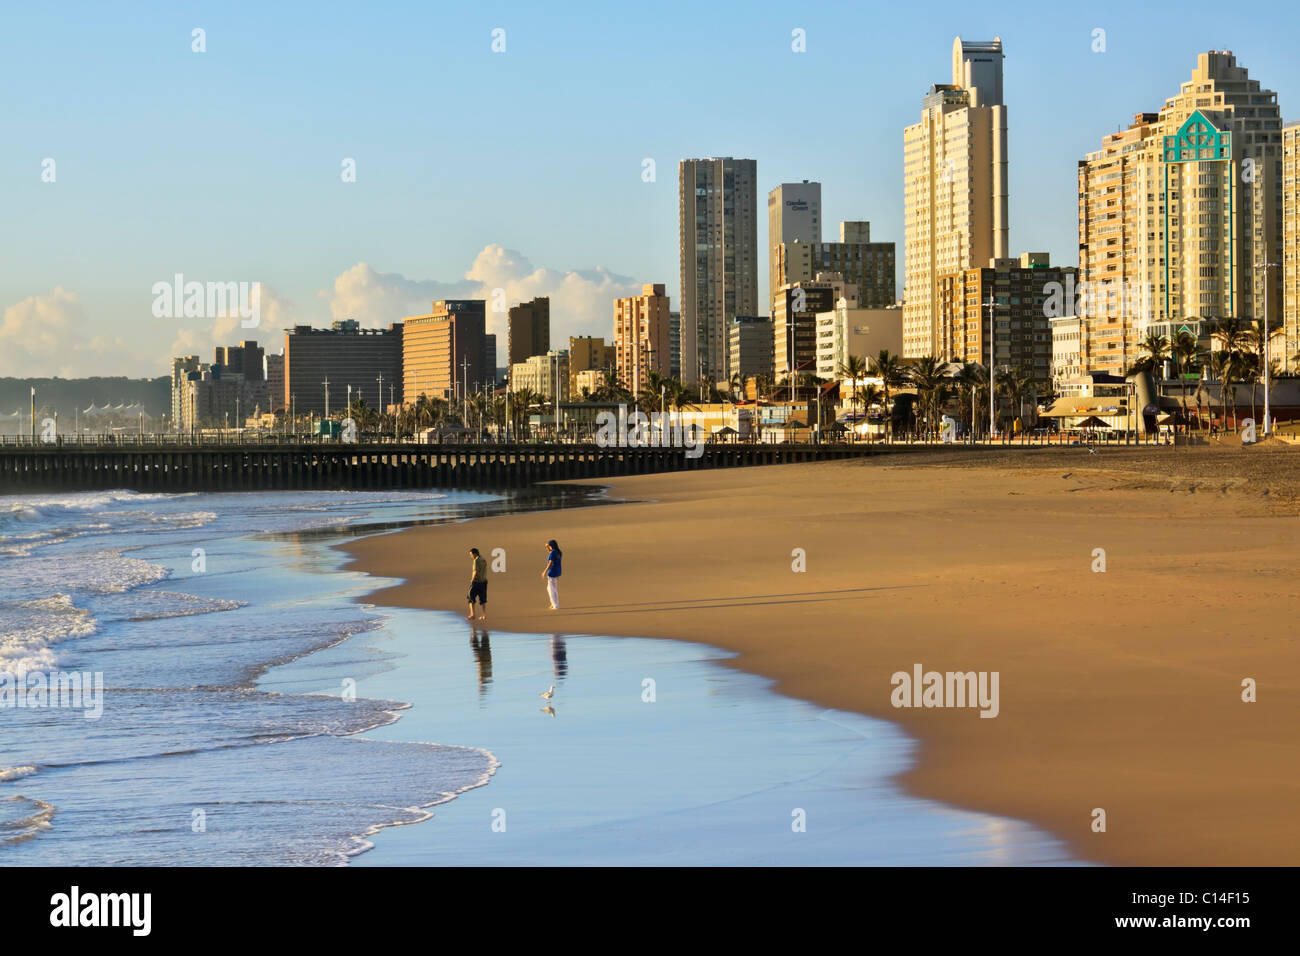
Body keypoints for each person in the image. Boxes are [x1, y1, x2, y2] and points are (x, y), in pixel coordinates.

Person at [467, 547, 488, 620]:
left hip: (477, 582)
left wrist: (472, 580)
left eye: (471, 555)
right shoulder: (483, 559)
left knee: (470, 597)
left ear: (475, 554)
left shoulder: (476, 561)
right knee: (482, 599)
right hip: (484, 581)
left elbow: (475, 571)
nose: (471, 556)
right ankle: (484, 615)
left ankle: (472, 614)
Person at [543, 540, 562, 610]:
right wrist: (547, 547)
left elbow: (550, 563)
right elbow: (550, 552)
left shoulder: (553, 553)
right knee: (551, 588)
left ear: (551, 546)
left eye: (549, 545)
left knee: (552, 590)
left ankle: (555, 605)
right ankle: (553, 603)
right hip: (557, 572)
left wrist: (544, 571)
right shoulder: (558, 552)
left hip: (552, 573)